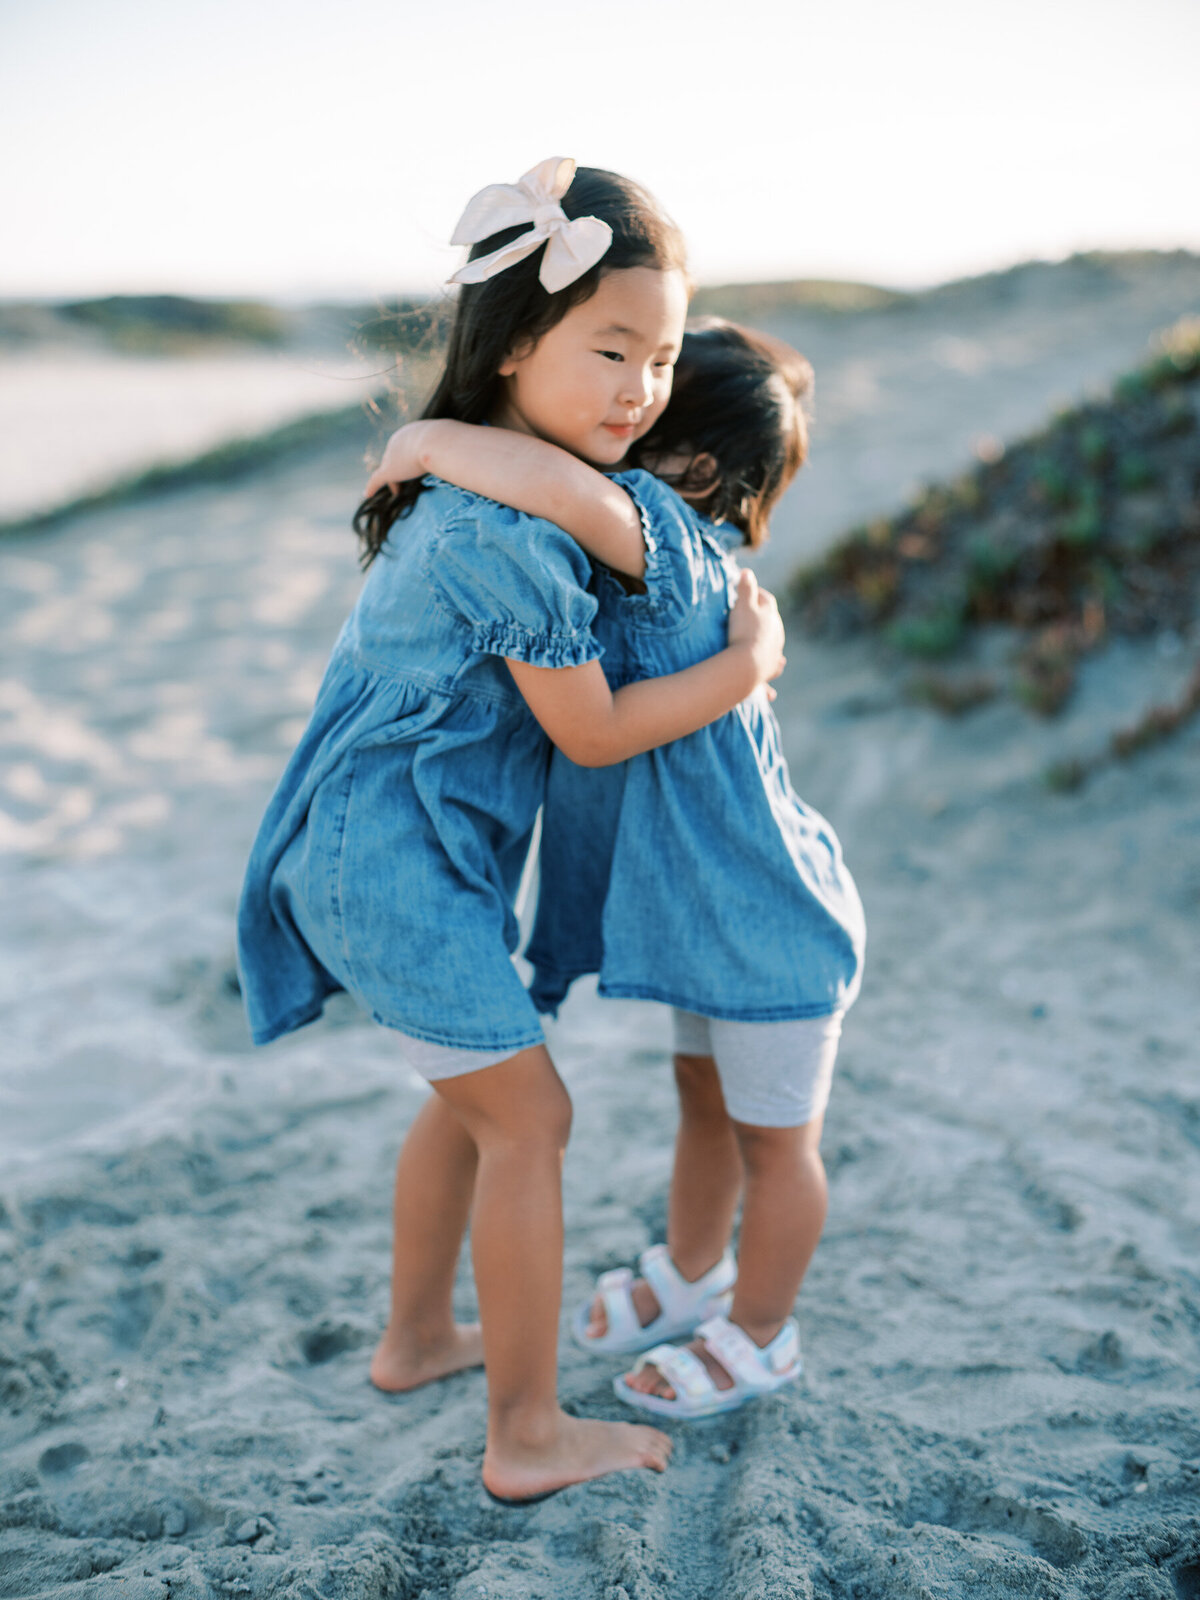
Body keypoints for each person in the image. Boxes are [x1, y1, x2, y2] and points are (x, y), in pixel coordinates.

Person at [236, 161, 787, 1502]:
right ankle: (527, 1433)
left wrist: (439, 441)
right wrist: (743, 670)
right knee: (530, 1118)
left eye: (662, 359)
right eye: (611, 350)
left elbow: (550, 486)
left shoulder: (500, 487)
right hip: (391, 866)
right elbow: (592, 732)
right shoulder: (508, 534)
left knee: (474, 1100)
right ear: (515, 342)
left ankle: (419, 1338)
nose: (640, 389)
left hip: (413, 852)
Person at [364, 317, 866, 1422]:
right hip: (709, 913)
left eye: (651, 409)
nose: (617, 417)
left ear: (694, 472)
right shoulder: (660, 568)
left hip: (776, 919)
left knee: (777, 1144)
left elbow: (560, 486)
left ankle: (761, 1333)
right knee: (703, 1102)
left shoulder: (669, 549)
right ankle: (691, 1273)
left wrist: (427, 442)